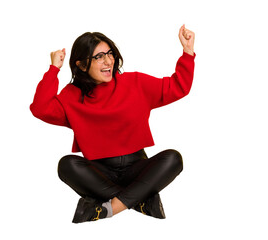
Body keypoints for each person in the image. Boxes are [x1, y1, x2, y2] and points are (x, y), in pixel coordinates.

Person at [30, 24, 195, 223]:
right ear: (82, 65)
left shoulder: (135, 82)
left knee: (173, 159)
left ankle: (109, 208)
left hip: (138, 169)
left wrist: (187, 51)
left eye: (110, 53)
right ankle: (140, 200)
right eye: (99, 57)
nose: (108, 60)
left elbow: (179, 87)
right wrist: (53, 69)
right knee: (66, 165)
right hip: (99, 173)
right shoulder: (71, 96)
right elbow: (40, 108)